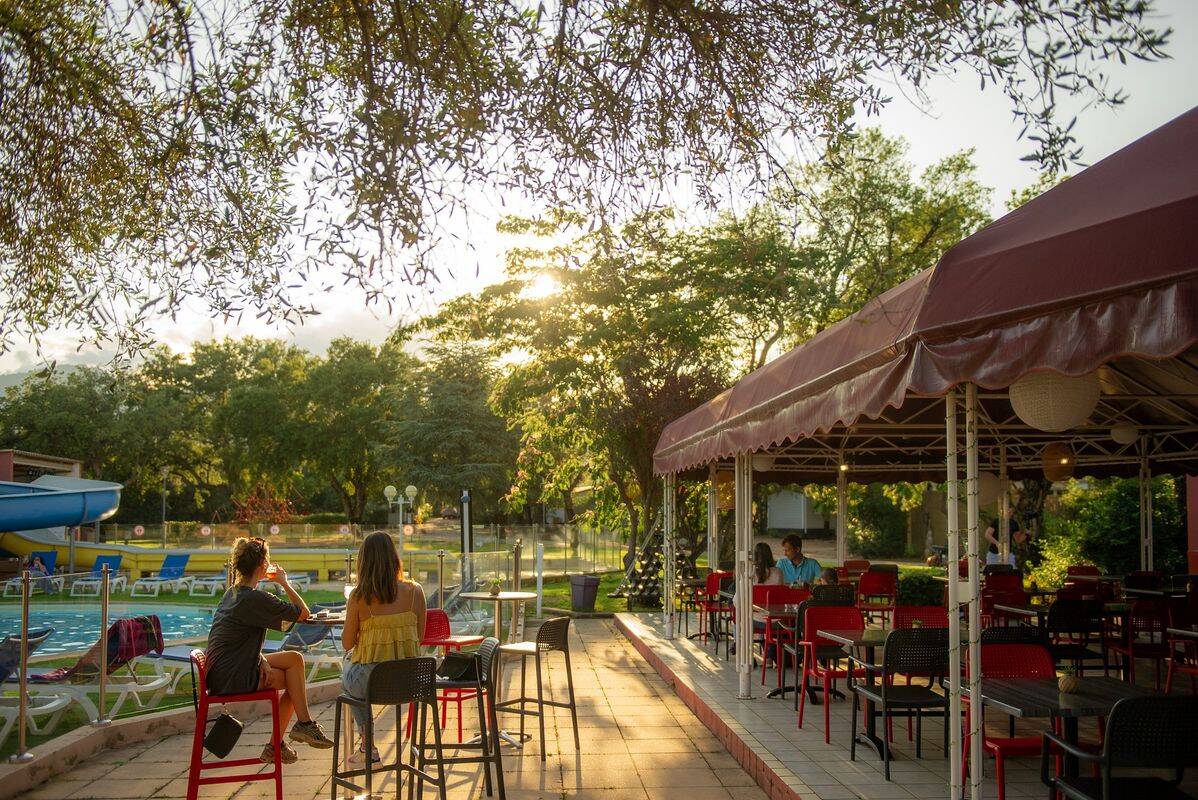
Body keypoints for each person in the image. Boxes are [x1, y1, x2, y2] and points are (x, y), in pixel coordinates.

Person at [204, 537, 334, 764]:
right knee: (294, 680)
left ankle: (289, 736)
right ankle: (293, 733)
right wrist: (284, 582)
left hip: (222, 670)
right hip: (234, 676)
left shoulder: (232, 594)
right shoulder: (254, 598)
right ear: (263, 565)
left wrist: (261, 657)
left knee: (295, 660)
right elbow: (302, 613)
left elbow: (232, 638)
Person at [341, 531, 427, 763]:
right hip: (411, 683)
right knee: (353, 670)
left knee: (347, 668)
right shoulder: (415, 591)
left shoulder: (359, 597)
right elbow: (418, 637)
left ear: (364, 562)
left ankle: (367, 745)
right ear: (394, 558)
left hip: (373, 685)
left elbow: (347, 643)